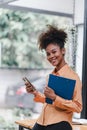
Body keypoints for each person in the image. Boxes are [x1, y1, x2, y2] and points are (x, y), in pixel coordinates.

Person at [25, 25, 82, 130]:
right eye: (48, 54)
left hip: (60, 124)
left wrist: (55, 97)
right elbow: (49, 101)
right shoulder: (51, 76)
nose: (51, 56)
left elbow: (78, 107)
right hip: (42, 122)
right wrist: (35, 93)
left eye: (54, 52)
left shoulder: (74, 77)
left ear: (63, 51)